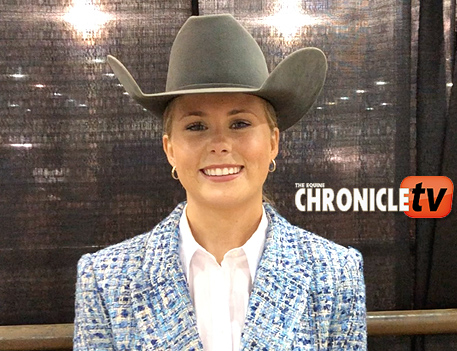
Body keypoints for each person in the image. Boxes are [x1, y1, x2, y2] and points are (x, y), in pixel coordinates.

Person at [74, 14, 366, 351]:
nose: (220, 144)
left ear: (273, 142)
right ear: (169, 148)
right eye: (196, 126)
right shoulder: (106, 279)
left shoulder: (335, 273)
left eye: (240, 123)